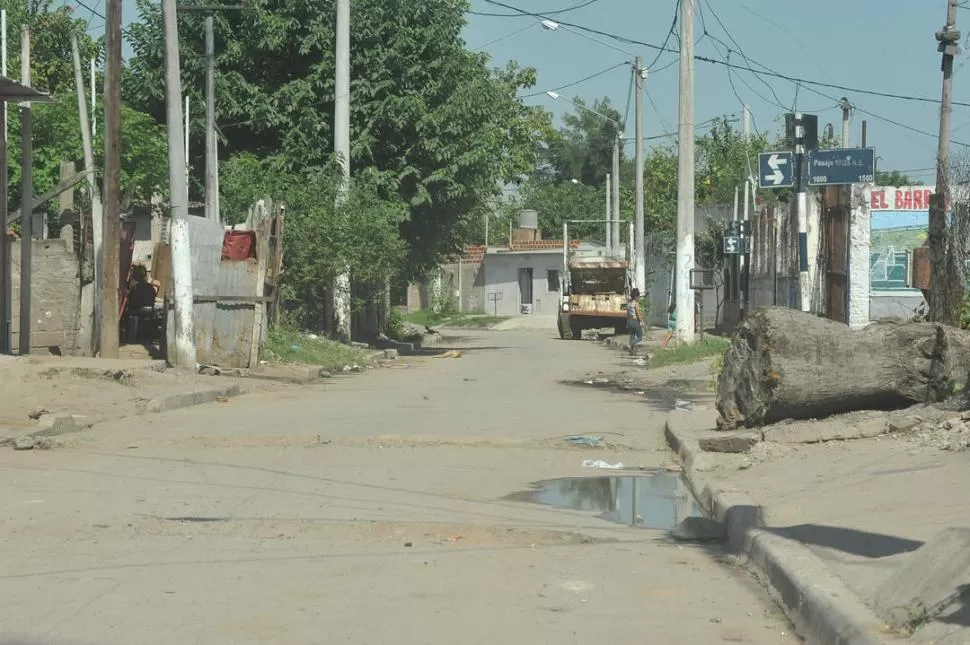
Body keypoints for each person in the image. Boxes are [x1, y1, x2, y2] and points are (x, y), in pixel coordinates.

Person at [627, 288, 644, 355]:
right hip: (635, 321)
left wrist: (627, 323)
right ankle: (630, 345)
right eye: (638, 296)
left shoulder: (629, 304)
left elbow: (627, 314)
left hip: (629, 321)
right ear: (636, 296)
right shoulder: (636, 304)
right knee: (640, 337)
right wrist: (642, 321)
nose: (639, 298)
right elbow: (638, 313)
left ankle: (631, 351)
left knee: (632, 336)